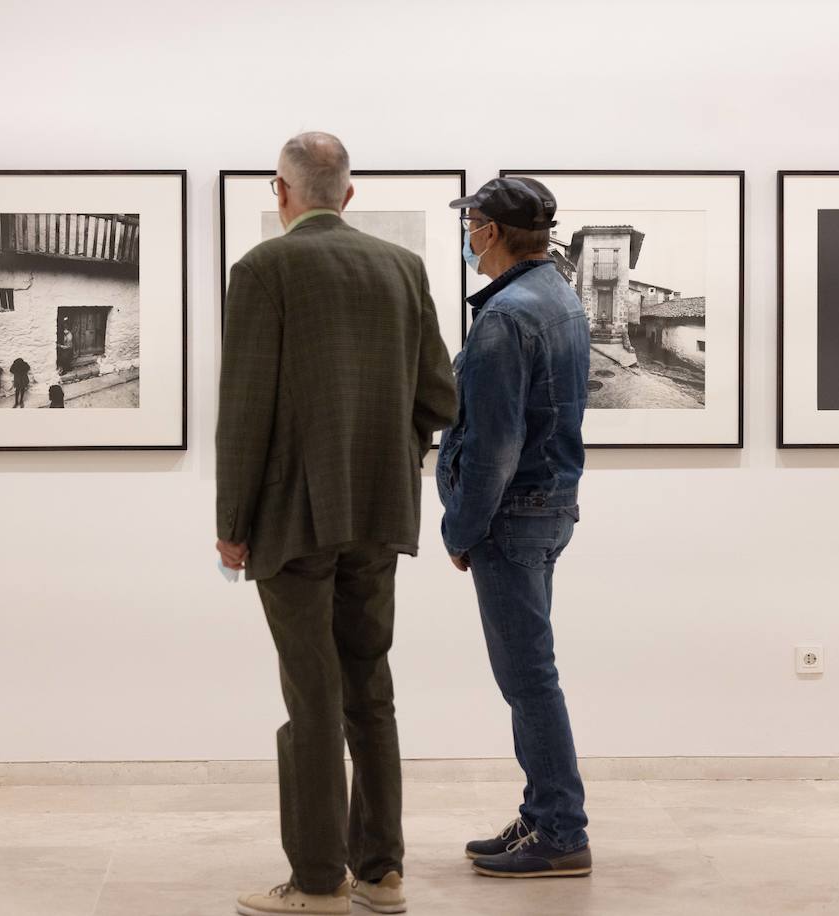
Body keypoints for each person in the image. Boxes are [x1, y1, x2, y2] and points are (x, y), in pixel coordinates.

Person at [218, 132, 456, 916]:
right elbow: (439, 400)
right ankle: (382, 871)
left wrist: (231, 521)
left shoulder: (263, 269)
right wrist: (389, 454)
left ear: (280, 192)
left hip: (292, 516)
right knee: (369, 686)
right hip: (380, 510)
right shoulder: (402, 268)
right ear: (347, 195)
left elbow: (245, 410)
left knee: (311, 696)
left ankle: (319, 880)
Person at [438, 177, 593, 879]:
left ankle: (562, 831)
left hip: (511, 516)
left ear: (491, 232)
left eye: (472, 224)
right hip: (551, 507)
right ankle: (541, 814)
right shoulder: (559, 298)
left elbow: (496, 444)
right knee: (532, 674)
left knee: (529, 679)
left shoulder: (505, 317)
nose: (468, 235)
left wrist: (460, 528)